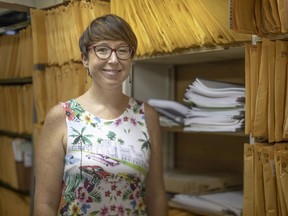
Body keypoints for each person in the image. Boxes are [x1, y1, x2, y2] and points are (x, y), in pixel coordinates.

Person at [33, 14, 168, 215]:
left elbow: (156, 195)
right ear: (85, 59)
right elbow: (45, 204)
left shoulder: (146, 116)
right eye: (102, 49)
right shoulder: (62, 117)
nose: (113, 60)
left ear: (131, 58)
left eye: (122, 50)